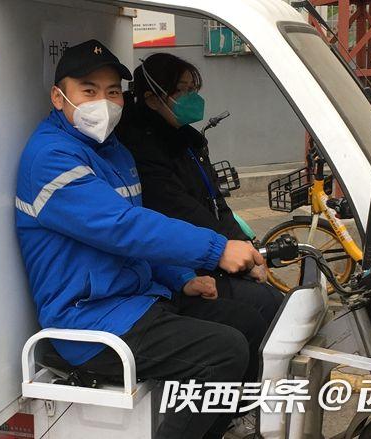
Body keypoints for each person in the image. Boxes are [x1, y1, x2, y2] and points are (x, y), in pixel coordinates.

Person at [15, 40, 270, 439]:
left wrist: (180, 277)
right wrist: (216, 249)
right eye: (89, 91)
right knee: (223, 352)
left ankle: (217, 429)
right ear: (58, 97)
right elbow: (123, 227)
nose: (104, 102)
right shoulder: (51, 158)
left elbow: (138, 235)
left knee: (249, 323)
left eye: (113, 91)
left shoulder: (114, 152)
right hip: (89, 320)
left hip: (135, 300)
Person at [116, 53, 284, 326]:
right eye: (182, 90)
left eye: (193, 89)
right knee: (263, 308)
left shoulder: (188, 139)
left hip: (207, 254)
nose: (192, 98)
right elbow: (180, 209)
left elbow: (215, 200)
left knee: (272, 302)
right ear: (152, 99)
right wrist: (224, 249)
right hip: (184, 261)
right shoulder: (141, 148)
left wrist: (243, 243)